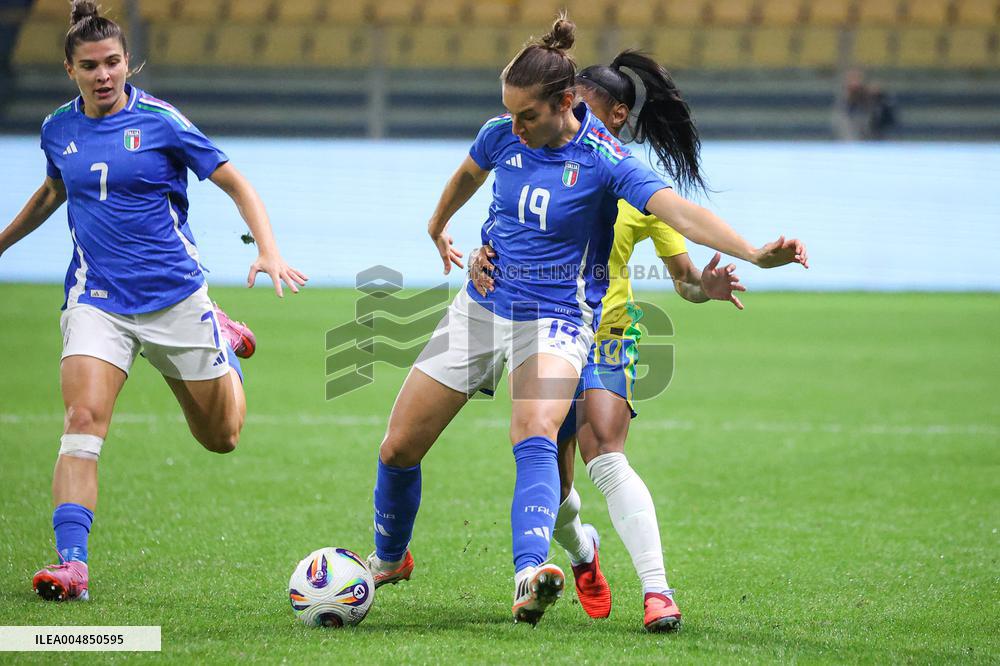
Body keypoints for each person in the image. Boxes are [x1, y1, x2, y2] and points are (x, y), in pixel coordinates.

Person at [366, 16, 806, 626]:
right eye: (509, 115)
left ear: (566, 103)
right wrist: (437, 227)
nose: (514, 129)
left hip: (557, 320)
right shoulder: (503, 135)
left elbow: (676, 209)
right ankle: (389, 558)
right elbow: (469, 172)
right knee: (398, 447)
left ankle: (529, 573)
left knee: (535, 433)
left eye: (527, 117)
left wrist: (754, 253)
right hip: (482, 305)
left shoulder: (606, 161)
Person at [0, 0, 307, 602]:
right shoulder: (57, 128)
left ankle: (221, 333)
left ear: (127, 62)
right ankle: (73, 565)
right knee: (82, 423)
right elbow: (53, 192)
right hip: (97, 300)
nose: (104, 75)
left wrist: (268, 251)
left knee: (222, 437)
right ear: (70, 69)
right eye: (90, 66)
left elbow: (235, 180)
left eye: (113, 63)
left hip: (174, 299)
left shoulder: (163, 121)